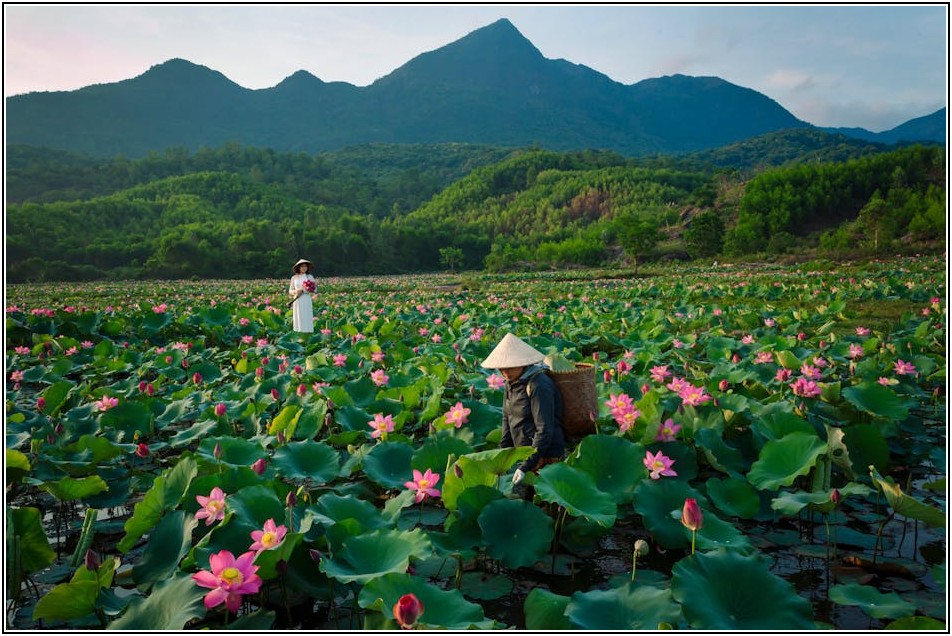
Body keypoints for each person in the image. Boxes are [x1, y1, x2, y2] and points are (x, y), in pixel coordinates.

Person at [481, 333, 565, 486]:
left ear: (523, 363)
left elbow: (544, 429)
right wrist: (501, 456)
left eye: (510, 367)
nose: (504, 372)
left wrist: (527, 464)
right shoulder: (510, 383)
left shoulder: (538, 385)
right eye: (501, 368)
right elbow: (507, 419)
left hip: (546, 454)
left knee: (543, 502)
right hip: (525, 452)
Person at [288, 258, 316, 333]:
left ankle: (308, 333)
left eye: (305, 266)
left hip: (306, 298)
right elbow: (290, 291)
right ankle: (299, 334)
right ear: (298, 267)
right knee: (298, 316)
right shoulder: (294, 278)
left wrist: (308, 289)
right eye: (302, 266)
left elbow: (315, 289)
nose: (304, 268)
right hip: (297, 299)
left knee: (306, 316)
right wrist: (296, 291)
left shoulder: (310, 277)